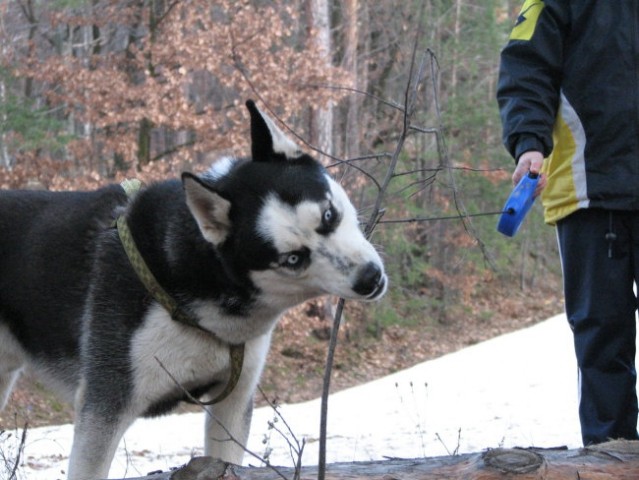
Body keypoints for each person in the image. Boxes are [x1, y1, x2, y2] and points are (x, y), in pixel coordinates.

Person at [497, 0, 639, 446]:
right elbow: (525, 71)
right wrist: (528, 142)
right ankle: (611, 461)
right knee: (602, 340)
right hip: (588, 191)